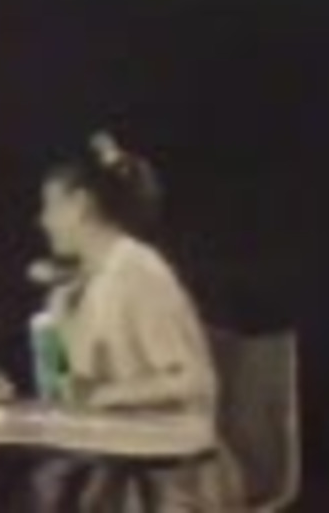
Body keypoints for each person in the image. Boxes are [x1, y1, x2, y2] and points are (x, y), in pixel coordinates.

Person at [24, 132, 241, 512]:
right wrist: (52, 323)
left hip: (176, 482)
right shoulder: (83, 283)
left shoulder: (139, 272)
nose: (43, 221)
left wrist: (105, 396)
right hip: (117, 466)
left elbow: (192, 380)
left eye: (49, 207)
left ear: (80, 205)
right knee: (42, 487)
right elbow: (62, 389)